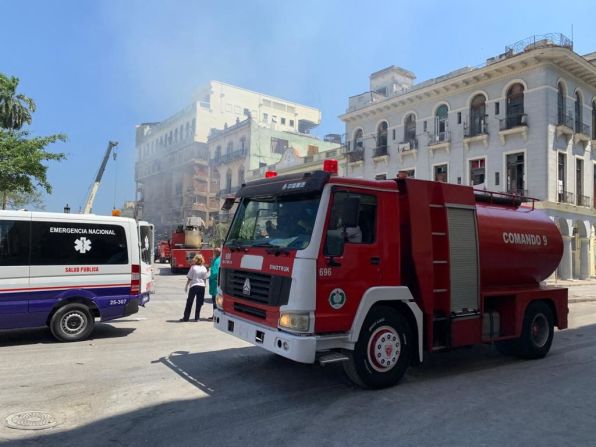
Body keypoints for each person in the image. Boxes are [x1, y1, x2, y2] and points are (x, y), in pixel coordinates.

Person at [180, 254, 208, 322]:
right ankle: (197, 318)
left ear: (195, 260)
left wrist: (186, 285)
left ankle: (186, 318)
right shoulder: (204, 268)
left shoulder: (193, 267)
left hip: (194, 286)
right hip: (202, 286)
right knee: (199, 302)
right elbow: (204, 279)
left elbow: (190, 278)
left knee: (189, 302)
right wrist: (205, 285)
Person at [207, 247, 221, 321]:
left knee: (215, 301)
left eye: (214, 252)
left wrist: (210, 278)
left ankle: (215, 316)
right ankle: (215, 316)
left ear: (216, 253)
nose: (213, 253)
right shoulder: (220, 259)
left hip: (215, 283)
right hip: (218, 282)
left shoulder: (216, 260)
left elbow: (215, 272)